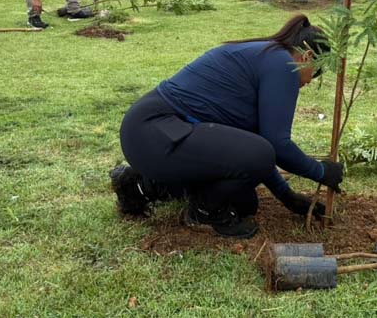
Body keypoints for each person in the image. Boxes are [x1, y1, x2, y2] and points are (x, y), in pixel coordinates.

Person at [109, 15, 344, 239]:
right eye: (316, 72)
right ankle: (202, 212)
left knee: (244, 203)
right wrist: (320, 172)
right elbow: (275, 146)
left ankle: (140, 186)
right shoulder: (282, 64)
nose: (309, 81)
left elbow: (252, 145)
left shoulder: (268, 56)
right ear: (307, 56)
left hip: (158, 133)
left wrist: (286, 196)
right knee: (257, 158)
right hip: (154, 130)